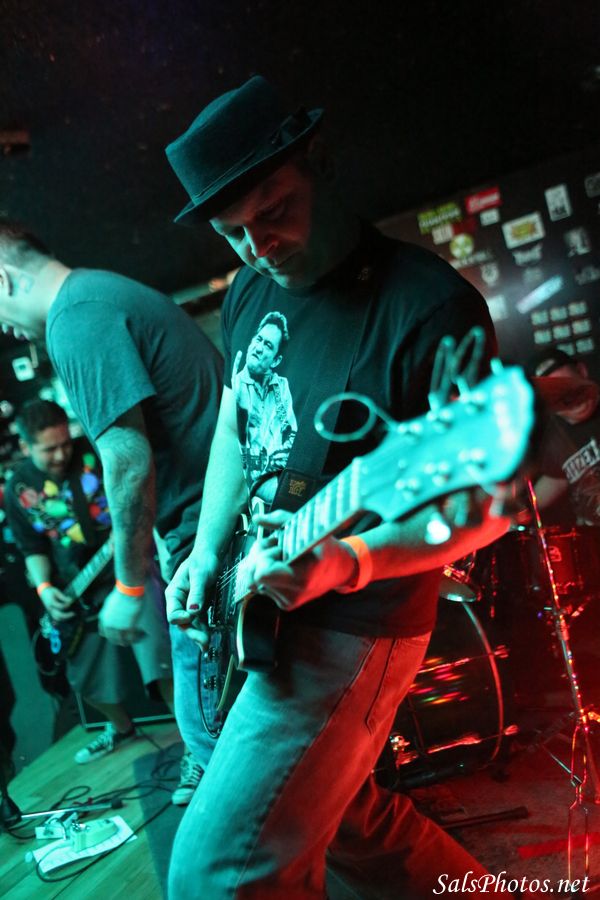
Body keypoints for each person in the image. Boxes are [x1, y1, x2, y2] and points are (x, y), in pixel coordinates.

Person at [164, 76, 518, 898]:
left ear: (319, 161)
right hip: (262, 597)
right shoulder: (250, 291)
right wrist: (209, 551)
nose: (260, 247)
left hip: (359, 622)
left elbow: (488, 506)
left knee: (215, 876)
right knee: (352, 823)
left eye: (275, 211)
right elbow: (236, 423)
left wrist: (348, 560)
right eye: (234, 233)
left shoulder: (428, 308)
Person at [0, 228, 223, 805]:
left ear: (3, 279)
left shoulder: (74, 320)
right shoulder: (97, 296)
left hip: (207, 535)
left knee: (214, 750)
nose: (3, 328)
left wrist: (127, 583)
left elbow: (125, 461)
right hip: (204, 528)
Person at [4, 399, 174, 765]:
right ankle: (121, 728)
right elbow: (32, 546)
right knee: (82, 674)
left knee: (159, 660)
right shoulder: (18, 487)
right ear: (26, 447)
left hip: (128, 569)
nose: (61, 454)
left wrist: (126, 535)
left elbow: (136, 492)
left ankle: (194, 743)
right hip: (77, 586)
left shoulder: (93, 453)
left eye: (65, 443)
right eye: (49, 449)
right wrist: (45, 588)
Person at [527, 348, 600, 524]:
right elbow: (556, 479)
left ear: (582, 371)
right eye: (558, 395)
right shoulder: (555, 437)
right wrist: (512, 515)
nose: (572, 400)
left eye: (572, 387)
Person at [232, 310, 297, 490]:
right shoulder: (237, 385)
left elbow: (291, 434)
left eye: (268, 345)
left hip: (283, 482)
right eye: (258, 339)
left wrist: (276, 460)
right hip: (253, 489)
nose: (259, 348)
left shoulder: (280, 386)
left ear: (276, 361)